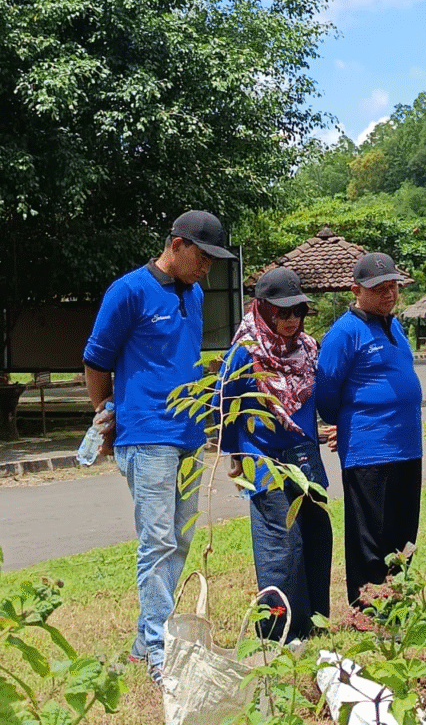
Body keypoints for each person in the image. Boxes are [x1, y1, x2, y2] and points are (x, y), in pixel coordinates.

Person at [82, 210, 237, 686]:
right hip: (147, 435)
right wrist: (107, 412)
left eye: (213, 260)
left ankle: (143, 639)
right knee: (158, 541)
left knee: (181, 538)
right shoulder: (128, 291)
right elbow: (96, 360)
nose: (207, 267)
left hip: (191, 436)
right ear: (176, 244)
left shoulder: (193, 293)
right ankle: (159, 649)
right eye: (203, 257)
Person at [217, 267, 332, 643]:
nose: (291, 319)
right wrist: (235, 455)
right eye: (283, 312)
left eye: (298, 311)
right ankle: (279, 631)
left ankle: (314, 622)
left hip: (305, 456)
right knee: (281, 545)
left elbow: (319, 399)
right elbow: (224, 406)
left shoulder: (309, 347)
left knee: (316, 535)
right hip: (263, 458)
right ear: (264, 310)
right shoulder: (245, 352)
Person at [315, 252, 422, 607]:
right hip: (369, 448)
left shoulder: (395, 326)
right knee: (371, 534)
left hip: (407, 446)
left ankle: (395, 602)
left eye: (393, 287)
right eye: (379, 289)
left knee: (403, 531)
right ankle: (367, 609)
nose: (389, 294)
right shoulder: (344, 332)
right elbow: (327, 393)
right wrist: (347, 424)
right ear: (356, 290)